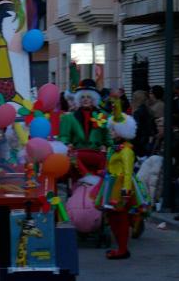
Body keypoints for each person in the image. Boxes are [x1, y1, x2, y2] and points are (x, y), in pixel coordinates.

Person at [95, 98, 150, 259]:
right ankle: (121, 246)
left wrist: (126, 190)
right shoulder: (115, 149)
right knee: (112, 218)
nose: (110, 132)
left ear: (122, 131)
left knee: (119, 218)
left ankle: (123, 248)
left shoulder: (126, 151)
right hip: (111, 183)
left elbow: (127, 171)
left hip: (120, 187)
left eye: (113, 130)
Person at [59, 79, 112, 176]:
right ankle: (88, 178)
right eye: (82, 97)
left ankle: (94, 183)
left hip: (96, 153)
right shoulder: (69, 118)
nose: (85, 99)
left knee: (105, 163)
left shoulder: (103, 116)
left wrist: (106, 146)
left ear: (94, 99)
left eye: (88, 97)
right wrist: (67, 144)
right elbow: (64, 136)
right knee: (73, 159)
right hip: (78, 153)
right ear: (79, 99)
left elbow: (108, 137)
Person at [131, 90, 154, 157]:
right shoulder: (148, 110)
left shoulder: (137, 112)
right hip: (147, 140)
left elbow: (136, 128)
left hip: (140, 142)